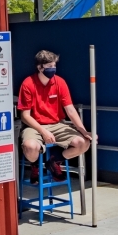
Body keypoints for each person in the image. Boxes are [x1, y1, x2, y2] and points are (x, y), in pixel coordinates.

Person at [18, 50, 92, 181]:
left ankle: (54, 161)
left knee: (83, 143)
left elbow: (70, 110)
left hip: (57, 124)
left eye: (54, 66)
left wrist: (83, 130)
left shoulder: (60, 82)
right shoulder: (28, 84)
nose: (53, 69)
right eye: (49, 67)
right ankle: (35, 165)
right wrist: (43, 131)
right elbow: (25, 116)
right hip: (34, 125)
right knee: (30, 147)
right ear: (39, 67)